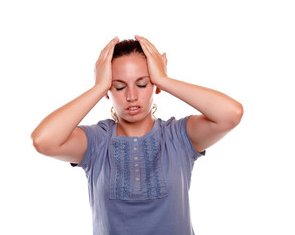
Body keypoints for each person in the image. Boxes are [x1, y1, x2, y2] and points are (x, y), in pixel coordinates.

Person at [31, 35, 243, 235]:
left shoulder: (178, 136)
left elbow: (231, 114)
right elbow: (43, 141)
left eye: (142, 84)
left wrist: (163, 79)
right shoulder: (97, 142)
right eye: (119, 86)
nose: (131, 96)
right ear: (108, 90)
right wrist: (98, 87)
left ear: (155, 86)